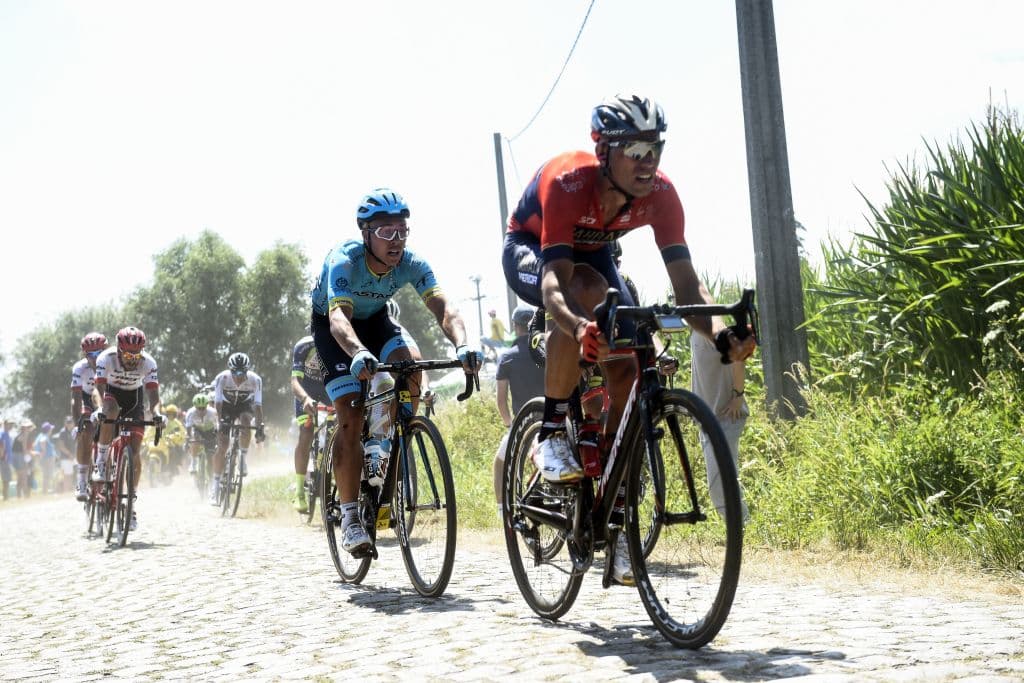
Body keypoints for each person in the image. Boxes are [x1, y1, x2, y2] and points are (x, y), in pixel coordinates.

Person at [501, 93, 755, 585]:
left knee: (629, 365)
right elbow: (555, 283)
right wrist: (579, 329)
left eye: (654, 149)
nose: (647, 162)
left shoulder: (660, 194)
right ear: (604, 152)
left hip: (595, 255)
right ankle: (552, 435)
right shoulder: (568, 181)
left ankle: (615, 523)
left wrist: (723, 336)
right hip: (535, 249)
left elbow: (687, 286)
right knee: (583, 298)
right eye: (634, 151)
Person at [310, 187, 482, 555]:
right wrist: (357, 352)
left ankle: (392, 437)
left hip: (376, 322)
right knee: (350, 414)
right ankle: (352, 516)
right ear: (366, 233)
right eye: (386, 232)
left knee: (412, 364)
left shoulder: (411, 263)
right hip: (333, 328)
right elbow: (339, 317)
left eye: (402, 231)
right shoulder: (344, 260)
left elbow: (443, 308)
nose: (396, 240)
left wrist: (463, 343)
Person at [93, 326, 163, 531]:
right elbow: (98, 388)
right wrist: (99, 409)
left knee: (134, 449)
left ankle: (130, 502)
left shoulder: (148, 362)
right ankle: (101, 460)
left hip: (134, 398)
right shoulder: (105, 359)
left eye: (136, 354)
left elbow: (153, 395)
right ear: (118, 350)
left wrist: (157, 413)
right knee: (110, 411)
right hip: (111, 394)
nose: (132, 359)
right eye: (127, 354)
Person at [691, 331, 750, 522]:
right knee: (720, 486)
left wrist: (738, 397)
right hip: (709, 419)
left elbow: (738, 358)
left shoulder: (711, 325)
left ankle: (743, 530)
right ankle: (741, 530)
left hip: (726, 416)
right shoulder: (696, 328)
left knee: (720, 487)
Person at [492, 304, 545, 509]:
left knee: (499, 463)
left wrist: (510, 425)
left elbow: (501, 400)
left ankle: (501, 509)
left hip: (523, 425)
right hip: (551, 419)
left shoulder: (507, 357)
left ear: (515, 326)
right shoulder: (546, 352)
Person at [210, 352, 265, 504]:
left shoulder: (255, 380)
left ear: (247, 370)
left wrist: (260, 426)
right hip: (226, 407)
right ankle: (215, 486)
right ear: (230, 370)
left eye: (242, 372)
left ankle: (242, 457)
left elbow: (258, 406)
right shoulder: (222, 377)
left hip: (244, 406)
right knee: (222, 445)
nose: (239, 375)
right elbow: (218, 403)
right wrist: (219, 422)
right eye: (235, 372)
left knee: (246, 421)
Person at [288, 333, 332, 513]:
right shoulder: (304, 346)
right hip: (306, 390)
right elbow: (294, 381)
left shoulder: (339, 341)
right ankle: (299, 491)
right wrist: (305, 398)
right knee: (306, 433)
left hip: (329, 388)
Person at [71, 332, 107, 501]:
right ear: (85, 355)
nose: (95, 358)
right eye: (90, 354)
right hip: (86, 399)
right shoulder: (79, 368)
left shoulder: (110, 362)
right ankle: (82, 480)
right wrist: (77, 424)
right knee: (86, 431)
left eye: (99, 353)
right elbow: (76, 398)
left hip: (107, 396)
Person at [185, 392, 218, 477]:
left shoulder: (213, 412)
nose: (201, 410)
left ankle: (211, 477)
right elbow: (188, 429)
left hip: (210, 431)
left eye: (203, 408)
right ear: (195, 407)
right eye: (199, 408)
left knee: (210, 456)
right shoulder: (190, 413)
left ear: (207, 406)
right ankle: (194, 462)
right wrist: (188, 439)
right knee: (195, 439)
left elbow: (217, 427)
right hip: (198, 430)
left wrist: (217, 437)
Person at [13, 419, 35, 498]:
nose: (29, 428)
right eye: (28, 427)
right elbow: (24, 449)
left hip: (15, 456)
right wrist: (27, 460)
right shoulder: (25, 435)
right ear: (24, 428)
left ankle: (19, 496)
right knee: (24, 477)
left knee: (20, 478)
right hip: (20, 456)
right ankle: (26, 496)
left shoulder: (20, 434)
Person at [33, 422, 57, 493]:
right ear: (48, 430)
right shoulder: (44, 436)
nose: (51, 430)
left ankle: (45, 490)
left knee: (46, 475)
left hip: (45, 458)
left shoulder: (40, 435)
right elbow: (42, 442)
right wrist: (43, 453)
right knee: (47, 475)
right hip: (47, 459)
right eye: (50, 429)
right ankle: (46, 491)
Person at [1, 418, 13, 500]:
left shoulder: (7, 434)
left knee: (7, 478)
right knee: (6, 478)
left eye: (12, 424)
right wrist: (2, 456)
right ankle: (5, 496)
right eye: (9, 424)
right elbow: (1, 446)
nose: (11, 426)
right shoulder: (3, 434)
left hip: (7, 459)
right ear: (5, 425)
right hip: (4, 459)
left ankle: (6, 496)